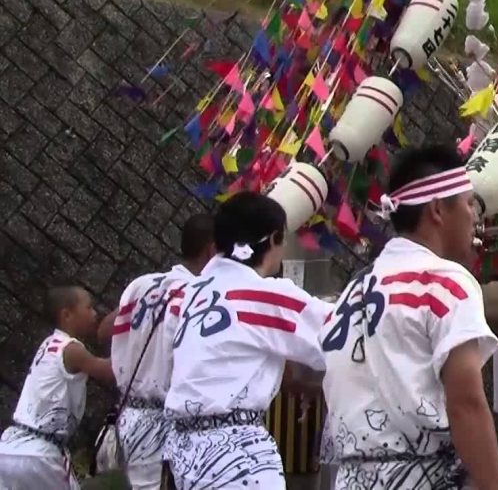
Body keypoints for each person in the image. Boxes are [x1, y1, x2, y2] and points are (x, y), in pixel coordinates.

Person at [319, 145, 498, 490]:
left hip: (351, 479)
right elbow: (465, 403)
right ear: (438, 209)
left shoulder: (352, 292)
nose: (474, 216)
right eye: (468, 204)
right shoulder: (443, 281)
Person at [163, 192, 331, 489]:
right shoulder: (261, 294)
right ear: (275, 239)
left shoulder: (191, 294)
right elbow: (340, 337)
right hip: (234, 453)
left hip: (182, 450)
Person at [96, 214, 216, 490]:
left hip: (126, 415)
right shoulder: (197, 294)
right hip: (161, 423)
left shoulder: (142, 284)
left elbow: (103, 329)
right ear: (211, 249)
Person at [0, 286, 116, 490]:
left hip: (10, 446)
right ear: (67, 315)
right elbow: (110, 371)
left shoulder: (49, 343)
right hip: (40, 453)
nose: (95, 313)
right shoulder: (72, 349)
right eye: (88, 308)